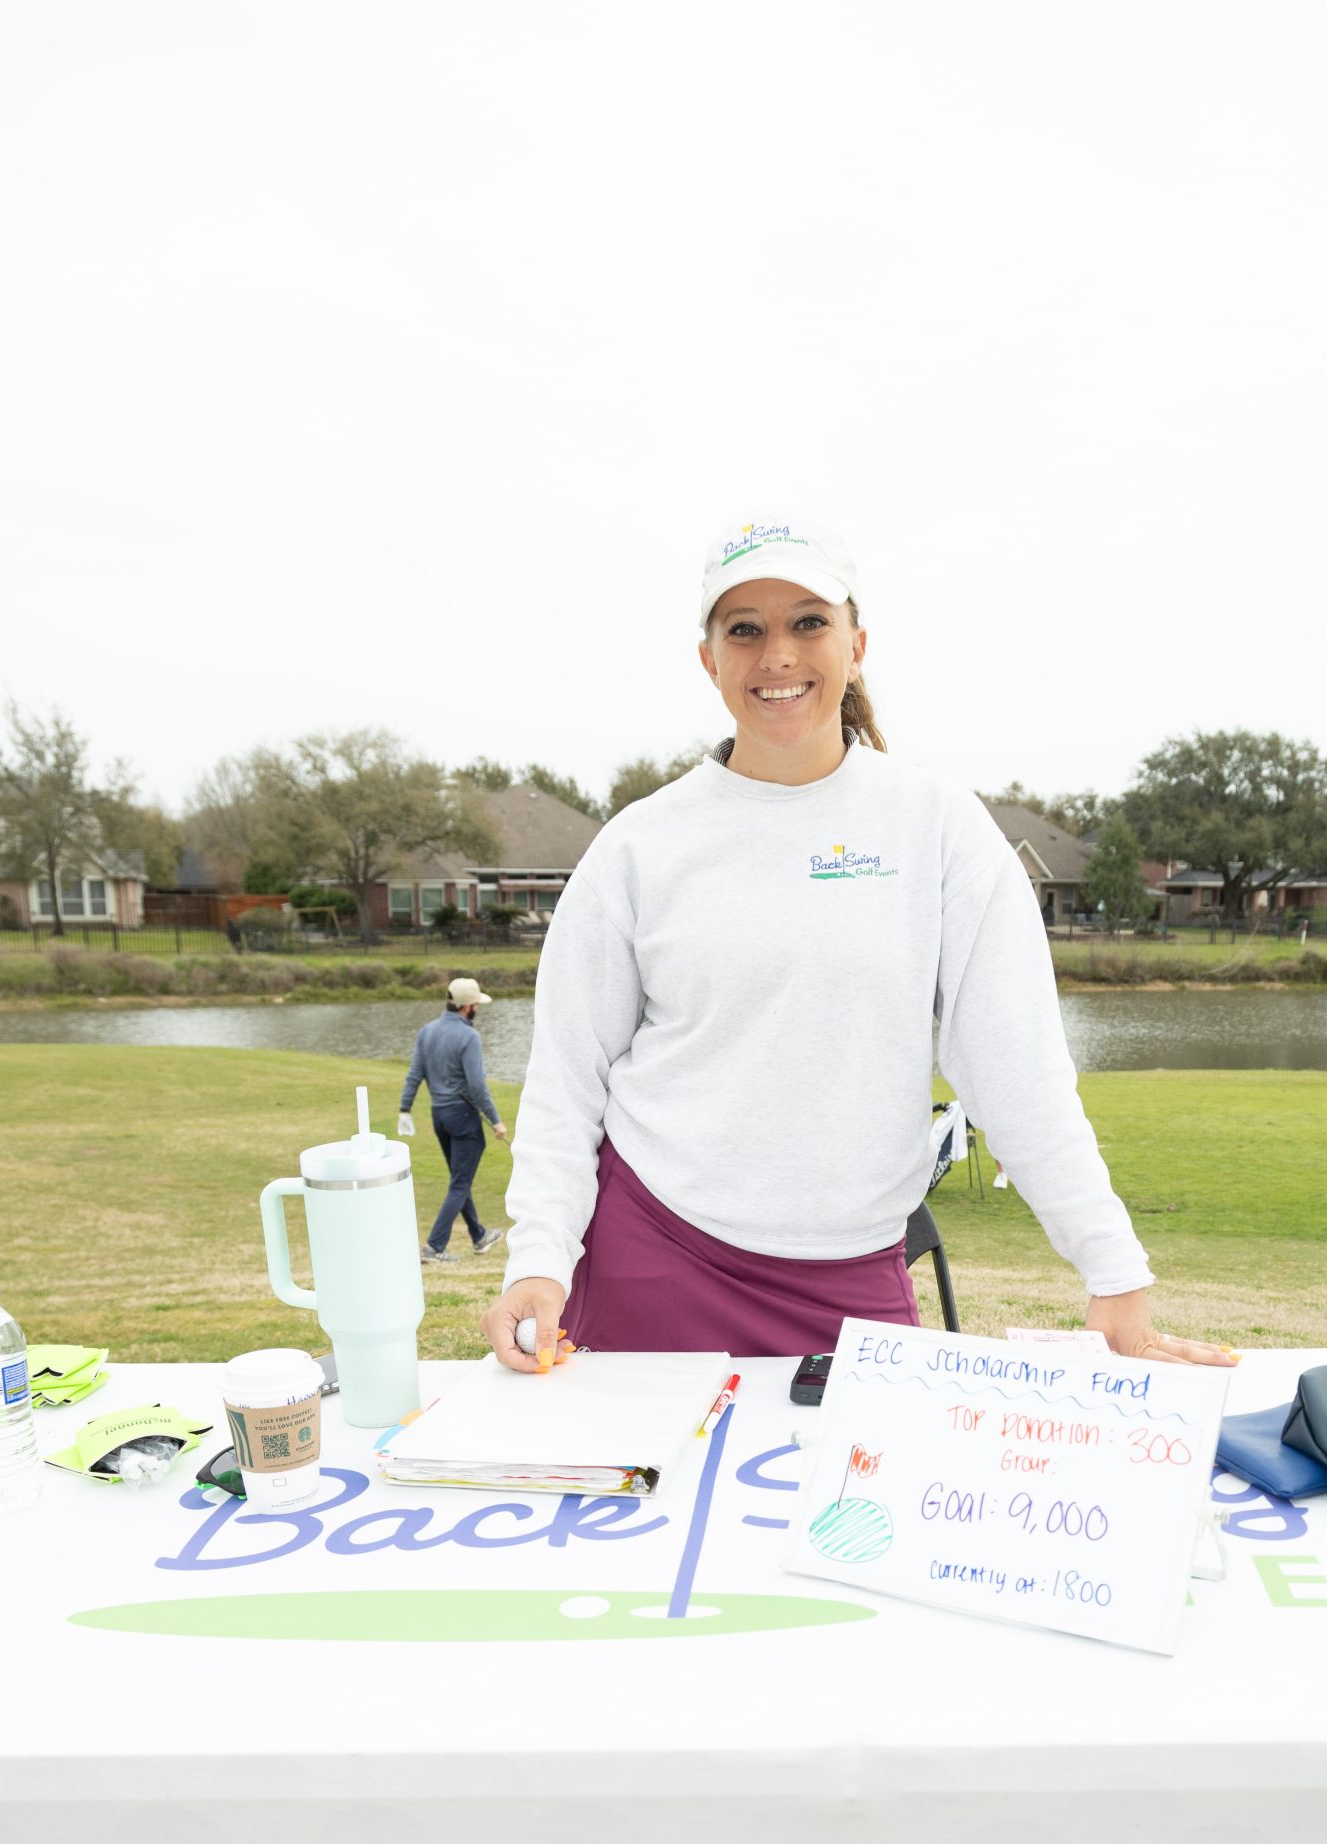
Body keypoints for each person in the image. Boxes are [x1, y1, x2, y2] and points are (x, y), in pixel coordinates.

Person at [484, 517, 1237, 1374]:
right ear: (708, 660)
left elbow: (1014, 1067)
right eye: (744, 629)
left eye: (808, 622)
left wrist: (1113, 1271)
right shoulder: (638, 843)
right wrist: (539, 1259)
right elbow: (568, 1075)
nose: (777, 655)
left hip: (852, 1274)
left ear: (856, 644)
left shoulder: (938, 826)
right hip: (650, 1252)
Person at [398, 975, 508, 1266]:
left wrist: (405, 1108)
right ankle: (435, 1246)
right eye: (476, 1004)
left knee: (460, 1178)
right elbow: (477, 1086)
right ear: (467, 1006)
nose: (477, 1009)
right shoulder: (469, 1037)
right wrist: (496, 1121)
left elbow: (415, 1074)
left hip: (440, 1116)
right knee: (460, 1183)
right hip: (463, 1117)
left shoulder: (427, 1031)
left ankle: (479, 1235)